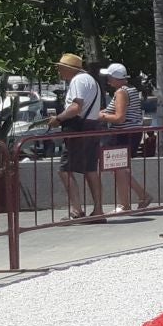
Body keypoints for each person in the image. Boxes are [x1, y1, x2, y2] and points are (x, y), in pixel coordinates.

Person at [45, 52, 103, 221]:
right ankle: (98, 210)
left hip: (79, 129)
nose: (59, 71)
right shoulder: (91, 80)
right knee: (90, 169)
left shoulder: (77, 80)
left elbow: (76, 107)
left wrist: (58, 119)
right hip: (92, 127)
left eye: (60, 68)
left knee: (65, 169)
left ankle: (76, 210)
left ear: (69, 68)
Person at [95, 63, 149, 213]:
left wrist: (100, 116)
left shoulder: (121, 92)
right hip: (131, 133)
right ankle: (140, 196)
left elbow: (119, 117)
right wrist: (104, 113)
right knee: (118, 168)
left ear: (115, 78)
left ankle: (125, 204)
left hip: (123, 134)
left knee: (118, 168)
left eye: (109, 77)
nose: (107, 80)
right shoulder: (131, 90)